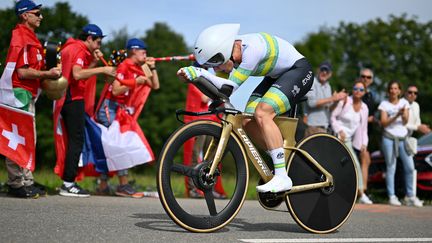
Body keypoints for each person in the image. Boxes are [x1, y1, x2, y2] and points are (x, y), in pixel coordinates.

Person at [177, 23, 314, 193]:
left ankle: (281, 176)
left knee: (262, 113)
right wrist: (194, 79)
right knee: (247, 120)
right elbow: (218, 93)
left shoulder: (252, 50)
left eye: (215, 62)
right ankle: (280, 158)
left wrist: (200, 74)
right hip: (276, 77)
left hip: (298, 71)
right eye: (211, 64)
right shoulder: (232, 56)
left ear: (226, 51)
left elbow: (228, 88)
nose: (214, 68)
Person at [0, 0, 61, 198]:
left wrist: (51, 70)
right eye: (37, 13)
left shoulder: (31, 38)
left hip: (27, 92)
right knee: (17, 138)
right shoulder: (21, 36)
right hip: (19, 92)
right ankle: (16, 183)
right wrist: (48, 74)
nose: (41, 17)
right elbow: (23, 72)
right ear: (25, 15)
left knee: (27, 138)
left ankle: (26, 180)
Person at [56, 24, 116, 197]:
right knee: (76, 140)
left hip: (68, 97)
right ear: (89, 39)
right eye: (98, 42)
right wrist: (103, 69)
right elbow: (77, 74)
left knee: (74, 140)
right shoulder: (79, 49)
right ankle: (68, 183)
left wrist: (95, 62)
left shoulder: (73, 47)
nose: (99, 46)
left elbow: (80, 71)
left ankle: (68, 181)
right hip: (72, 98)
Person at [95, 38, 159, 198]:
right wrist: (135, 82)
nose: (146, 54)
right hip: (108, 107)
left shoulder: (139, 67)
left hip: (118, 109)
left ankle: (103, 186)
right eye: (143, 51)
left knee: (111, 146)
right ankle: (122, 184)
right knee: (118, 145)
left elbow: (155, 85)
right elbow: (116, 90)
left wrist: (152, 68)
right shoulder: (124, 65)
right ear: (133, 51)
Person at [378, 80, 423, 207]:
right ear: (388, 91)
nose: (393, 91)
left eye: (396, 88)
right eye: (391, 88)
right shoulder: (384, 104)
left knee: (410, 167)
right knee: (391, 167)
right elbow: (384, 123)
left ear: (399, 91)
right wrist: (397, 114)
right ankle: (392, 196)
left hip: (403, 139)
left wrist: (403, 115)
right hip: (388, 138)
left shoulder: (404, 103)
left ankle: (410, 196)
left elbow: (404, 122)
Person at [330, 81, 372, 204]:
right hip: (336, 137)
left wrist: (364, 143)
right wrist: (340, 130)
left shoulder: (365, 108)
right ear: (352, 89)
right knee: (335, 166)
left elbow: (363, 128)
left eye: (361, 89)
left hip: (348, 140)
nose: (358, 91)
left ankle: (361, 193)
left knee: (355, 164)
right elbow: (333, 117)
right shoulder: (345, 101)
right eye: (355, 88)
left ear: (365, 92)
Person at [183, 83, 227, 198]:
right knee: (195, 155)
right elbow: (204, 98)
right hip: (200, 121)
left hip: (212, 121)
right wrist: (217, 92)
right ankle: (192, 189)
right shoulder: (196, 83)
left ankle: (209, 188)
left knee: (211, 158)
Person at [304, 61, 347, 137]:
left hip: (325, 128)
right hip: (312, 127)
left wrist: (336, 101)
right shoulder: (312, 82)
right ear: (318, 70)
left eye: (327, 71)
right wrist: (332, 98)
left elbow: (329, 108)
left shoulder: (328, 86)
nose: (324, 72)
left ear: (330, 74)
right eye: (322, 70)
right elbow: (311, 103)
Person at [358, 68, 377, 196]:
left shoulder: (371, 95)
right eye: (363, 76)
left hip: (368, 133)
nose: (365, 79)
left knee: (366, 161)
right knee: (364, 160)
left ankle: (363, 190)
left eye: (368, 77)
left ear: (372, 80)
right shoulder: (357, 92)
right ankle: (362, 191)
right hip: (358, 133)